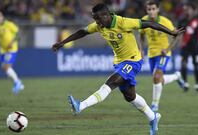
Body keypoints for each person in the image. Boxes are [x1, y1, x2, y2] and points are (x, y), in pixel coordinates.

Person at [52, 3, 184, 135]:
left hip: (133, 61)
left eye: (98, 19)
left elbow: (148, 23)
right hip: (119, 63)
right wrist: (62, 43)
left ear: (106, 15)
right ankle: (153, 117)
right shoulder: (99, 26)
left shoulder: (123, 22)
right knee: (130, 96)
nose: (97, 22)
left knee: (111, 82)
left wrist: (171, 32)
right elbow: (82, 32)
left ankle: (80, 106)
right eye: (95, 19)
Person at [139, 0, 185, 112]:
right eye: (149, 9)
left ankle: (155, 105)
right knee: (158, 80)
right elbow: (141, 36)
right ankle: (176, 76)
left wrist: (167, 49)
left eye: (153, 9)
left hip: (163, 53)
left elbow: (176, 35)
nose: (151, 12)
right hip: (151, 54)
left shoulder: (165, 21)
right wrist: (141, 50)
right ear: (146, 10)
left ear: (158, 10)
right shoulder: (143, 21)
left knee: (156, 77)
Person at [0, 11, 24, 94]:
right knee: (4, 68)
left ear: (2, 17)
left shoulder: (9, 24)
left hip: (12, 48)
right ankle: (19, 83)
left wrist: (12, 42)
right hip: (3, 49)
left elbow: (18, 34)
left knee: (6, 67)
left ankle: (17, 83)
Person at [178, 2, 198, 92]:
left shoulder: (197, 20)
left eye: (188, 9)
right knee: (183, 65)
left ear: (193, 10)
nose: (186, 11)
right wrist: (179, 42)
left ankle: (197, 84)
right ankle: (185, 83)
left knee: (196, 65)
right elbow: (179, 33)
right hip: (185, 46)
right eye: (184, 10)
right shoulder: (181, 21)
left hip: (195, 47)